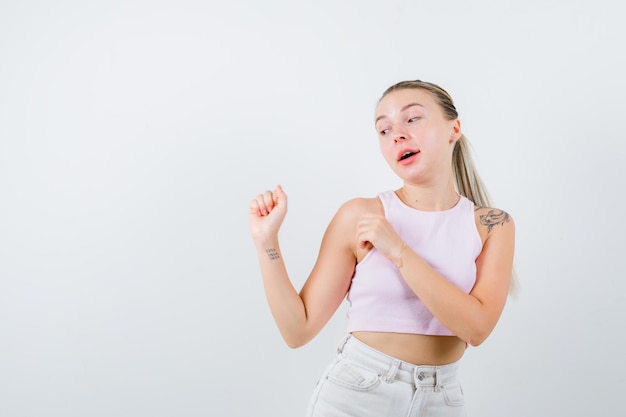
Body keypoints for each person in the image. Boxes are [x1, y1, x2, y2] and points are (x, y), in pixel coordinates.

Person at [248, 79, 515, 417]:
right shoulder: (361, 215)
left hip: (441, 400)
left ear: (454, 129)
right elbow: (297, 330)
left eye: (412, 119)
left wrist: (399, 251)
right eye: (384, 130)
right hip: (357, 394)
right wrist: (266, 242)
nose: (397, 135)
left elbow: (476, 329)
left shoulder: (493, 224)